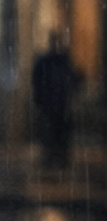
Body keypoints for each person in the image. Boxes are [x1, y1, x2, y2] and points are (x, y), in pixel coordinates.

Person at [31, 31, 80, 168]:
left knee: (59, 132)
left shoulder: (62, 61)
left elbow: (73, 78)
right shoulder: (48, 62)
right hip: (51, 103)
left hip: (60, 103)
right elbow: (37, 82)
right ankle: (52, 156)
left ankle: (59, 157)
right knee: (51, 132)